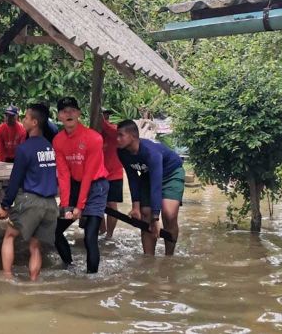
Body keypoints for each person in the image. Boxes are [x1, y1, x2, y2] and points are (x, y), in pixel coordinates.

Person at [0, 103, 60, 281]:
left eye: (25, 117)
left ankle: (7, 278)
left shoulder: (24, 149)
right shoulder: (49, 147)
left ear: (34, 122)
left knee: (9, 236)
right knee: (35, 246)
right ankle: (34, 283)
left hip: (32, 201)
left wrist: (5, 205)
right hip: (50, 204)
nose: (22, 120)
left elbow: (15, 180)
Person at [52, 97, 109, 274]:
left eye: (72, 110)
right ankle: (69, 266)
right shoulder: (58, 141)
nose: (68, 113)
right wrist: (66, 206)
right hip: (75, 185)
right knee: (54, 231)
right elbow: (63, 175)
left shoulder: (94, 138)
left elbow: (88, 174)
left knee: (90, 236)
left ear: (78, 113)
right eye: (64, 111)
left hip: (96, 186)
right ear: (59, 116)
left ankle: (92, 279)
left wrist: (79, 207)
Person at [116, 120, 185, 256]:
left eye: (121, 135)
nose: (117, 139)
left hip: (171, 173)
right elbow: (133, 178)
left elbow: (156, 185)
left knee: (169, 215)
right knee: (144, 214)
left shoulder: (151, 152)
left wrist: (155, 218)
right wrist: (135, 207)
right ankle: (148, 258)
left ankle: (169, 257)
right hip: (148, 175)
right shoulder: (122, 152)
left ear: (133, 136)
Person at [100, 108, 125, 238]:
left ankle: (109, 235)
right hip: (98, 175)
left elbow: (108, 128)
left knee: (111, 204)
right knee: (98, 203)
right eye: (103, 115)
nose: (105, 117)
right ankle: (102, 230)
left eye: (105, 115)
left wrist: (99, 119)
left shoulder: (115, 130)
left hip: (114, 174)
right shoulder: (95, 132)